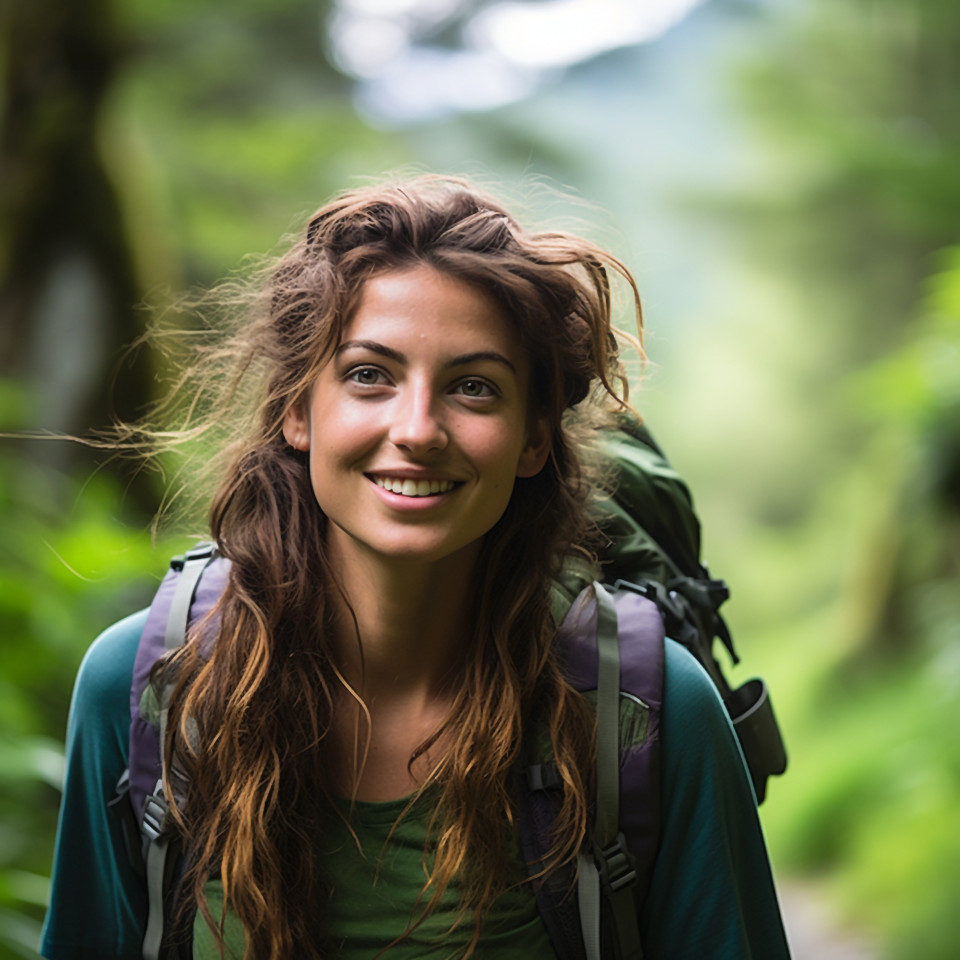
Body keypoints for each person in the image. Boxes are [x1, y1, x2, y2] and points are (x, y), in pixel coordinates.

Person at [40, 176, 792, 960]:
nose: (418, 429)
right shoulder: (151, 688)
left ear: (535, 439)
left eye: (474, 388)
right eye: (370, 374)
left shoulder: (648, 717)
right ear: (298, 409)